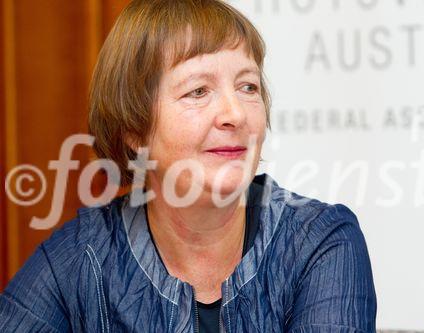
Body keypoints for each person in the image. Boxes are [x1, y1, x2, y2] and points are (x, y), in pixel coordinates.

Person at [0, 0, 377, 332]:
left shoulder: (319, 243)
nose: (234, 114)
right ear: (135, 129)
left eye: (248, 87)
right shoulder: (80, 259)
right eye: (198, 91)